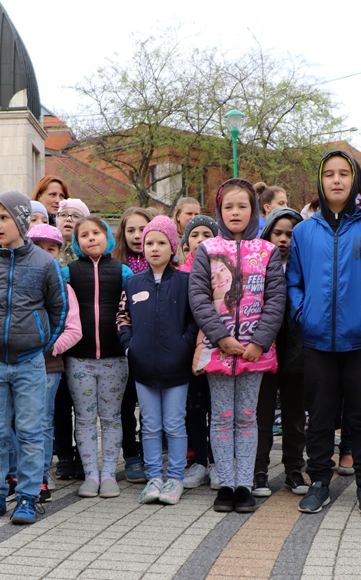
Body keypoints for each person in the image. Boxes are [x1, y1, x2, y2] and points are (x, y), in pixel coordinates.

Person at [287, 150, 361, 517]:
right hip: (317, 340)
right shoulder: (304, 232)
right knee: (319, 415)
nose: (336, 180)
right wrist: (303, 313)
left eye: (343, 174)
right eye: (329, 174)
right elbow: (295, 282)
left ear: (354, 182)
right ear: (320, 181)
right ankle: (319, 479)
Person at [0, 191, 67, 525]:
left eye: (4, 218)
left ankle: (28, 497)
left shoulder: (45, 263)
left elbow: (58, 309)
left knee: (29, 431)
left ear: (22, 221)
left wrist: (41, 342)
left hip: (29, 361)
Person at [189, 178, 286, 514]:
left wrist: (260, 341)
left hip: (255, 352)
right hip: (219, 349)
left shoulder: (267, 251)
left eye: (242, 206)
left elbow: (276, 300)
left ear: (254, 210)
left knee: (247, 418)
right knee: (221, 417)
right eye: (228, 206)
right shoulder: (207, 250)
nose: (235, 212)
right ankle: (225, 484)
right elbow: (199, 297)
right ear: (219, 210)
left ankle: (244, 483)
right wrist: (221, 337)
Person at [118, 216, 197, 505]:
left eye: (161, 242)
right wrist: (130, 347)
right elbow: (122, 318)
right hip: (143, 367)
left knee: (175, 425)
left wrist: (184, 346)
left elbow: (194, 321)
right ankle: (154, 477)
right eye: (149, 242)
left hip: (177, 368)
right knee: (150, 425)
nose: (154, 248)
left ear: (173, 247)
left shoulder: (186, 282)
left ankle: (175, 479)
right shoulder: (133, 282)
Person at [63, 216, 134, 498]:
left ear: (108, 237)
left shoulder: (122, 272)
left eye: (97, 232)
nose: (91, 238)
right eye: (84, 235)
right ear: (76, 242)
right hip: (78, 359)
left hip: (115, 358)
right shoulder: (68, 272)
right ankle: (91, 474)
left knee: (111, 417)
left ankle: (109, 476)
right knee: (83, 418)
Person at [253, 207, 308, 497]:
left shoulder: (307, 268)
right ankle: (259, 470)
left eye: (291, 234)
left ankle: (294, 469)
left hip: (297, 351)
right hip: (263, 349)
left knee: (294, 415)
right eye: (278, 233)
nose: (284, 239)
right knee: (261, 413)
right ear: (267, 233)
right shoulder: (256, 266)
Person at [25, 222, 83, 502]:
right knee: (20, 420)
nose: (45, 255)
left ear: (60, 253)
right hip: (18, 361)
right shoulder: (18, 280)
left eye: (51, 249)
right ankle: (21, 472)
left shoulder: (64, 286)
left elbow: (74, 329)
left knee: (44, 421)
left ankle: (41, 473)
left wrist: (50, 349)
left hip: (48, 365)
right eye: (38, 248)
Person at [111, 206, 155, 483]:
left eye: (143, 229)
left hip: (156, 346)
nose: (138, 235)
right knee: (126, 405)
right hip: (124, 347)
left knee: (153, 405)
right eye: (131, 230)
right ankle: (132, 455)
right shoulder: (116, 266)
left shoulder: (161, 261)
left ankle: (154, 452)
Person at [178, 215, 220, 490]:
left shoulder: (223, 272)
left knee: (217, 407)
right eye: (195, 235)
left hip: (218, 350)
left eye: (207, 234)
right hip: (188, 351)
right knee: (193, 406)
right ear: (185, 243)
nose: (201, 240)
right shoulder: (180, 275)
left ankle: (218, 460)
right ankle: (198, 460)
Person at [57, 198, 89, 267]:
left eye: (76, 216)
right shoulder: (47, 248)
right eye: (63, 215)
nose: (68, 219)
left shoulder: (89, 251)